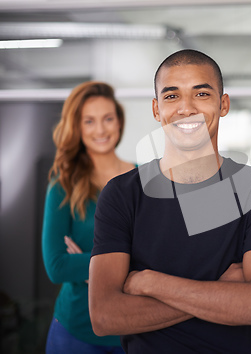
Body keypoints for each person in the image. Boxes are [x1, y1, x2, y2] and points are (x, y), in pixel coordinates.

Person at [88, 49, 251, 354]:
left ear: (223, 104)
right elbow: (104, 316)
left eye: (201, 93)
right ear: (156, 109)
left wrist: (152, 284)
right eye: (171, 96)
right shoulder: (122, 194)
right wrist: (222, 293)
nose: (186, 108)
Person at [42, 81, 135, 353]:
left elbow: (158, 256)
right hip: (75, 332)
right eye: (89, 121)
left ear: (119, 122)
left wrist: (89, 264)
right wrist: (127, 264)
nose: (101, 129)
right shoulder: (63, 185)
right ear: (78, 127)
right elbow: (57, 266)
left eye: (108, 118)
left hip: (132, 329)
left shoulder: (144, 181)